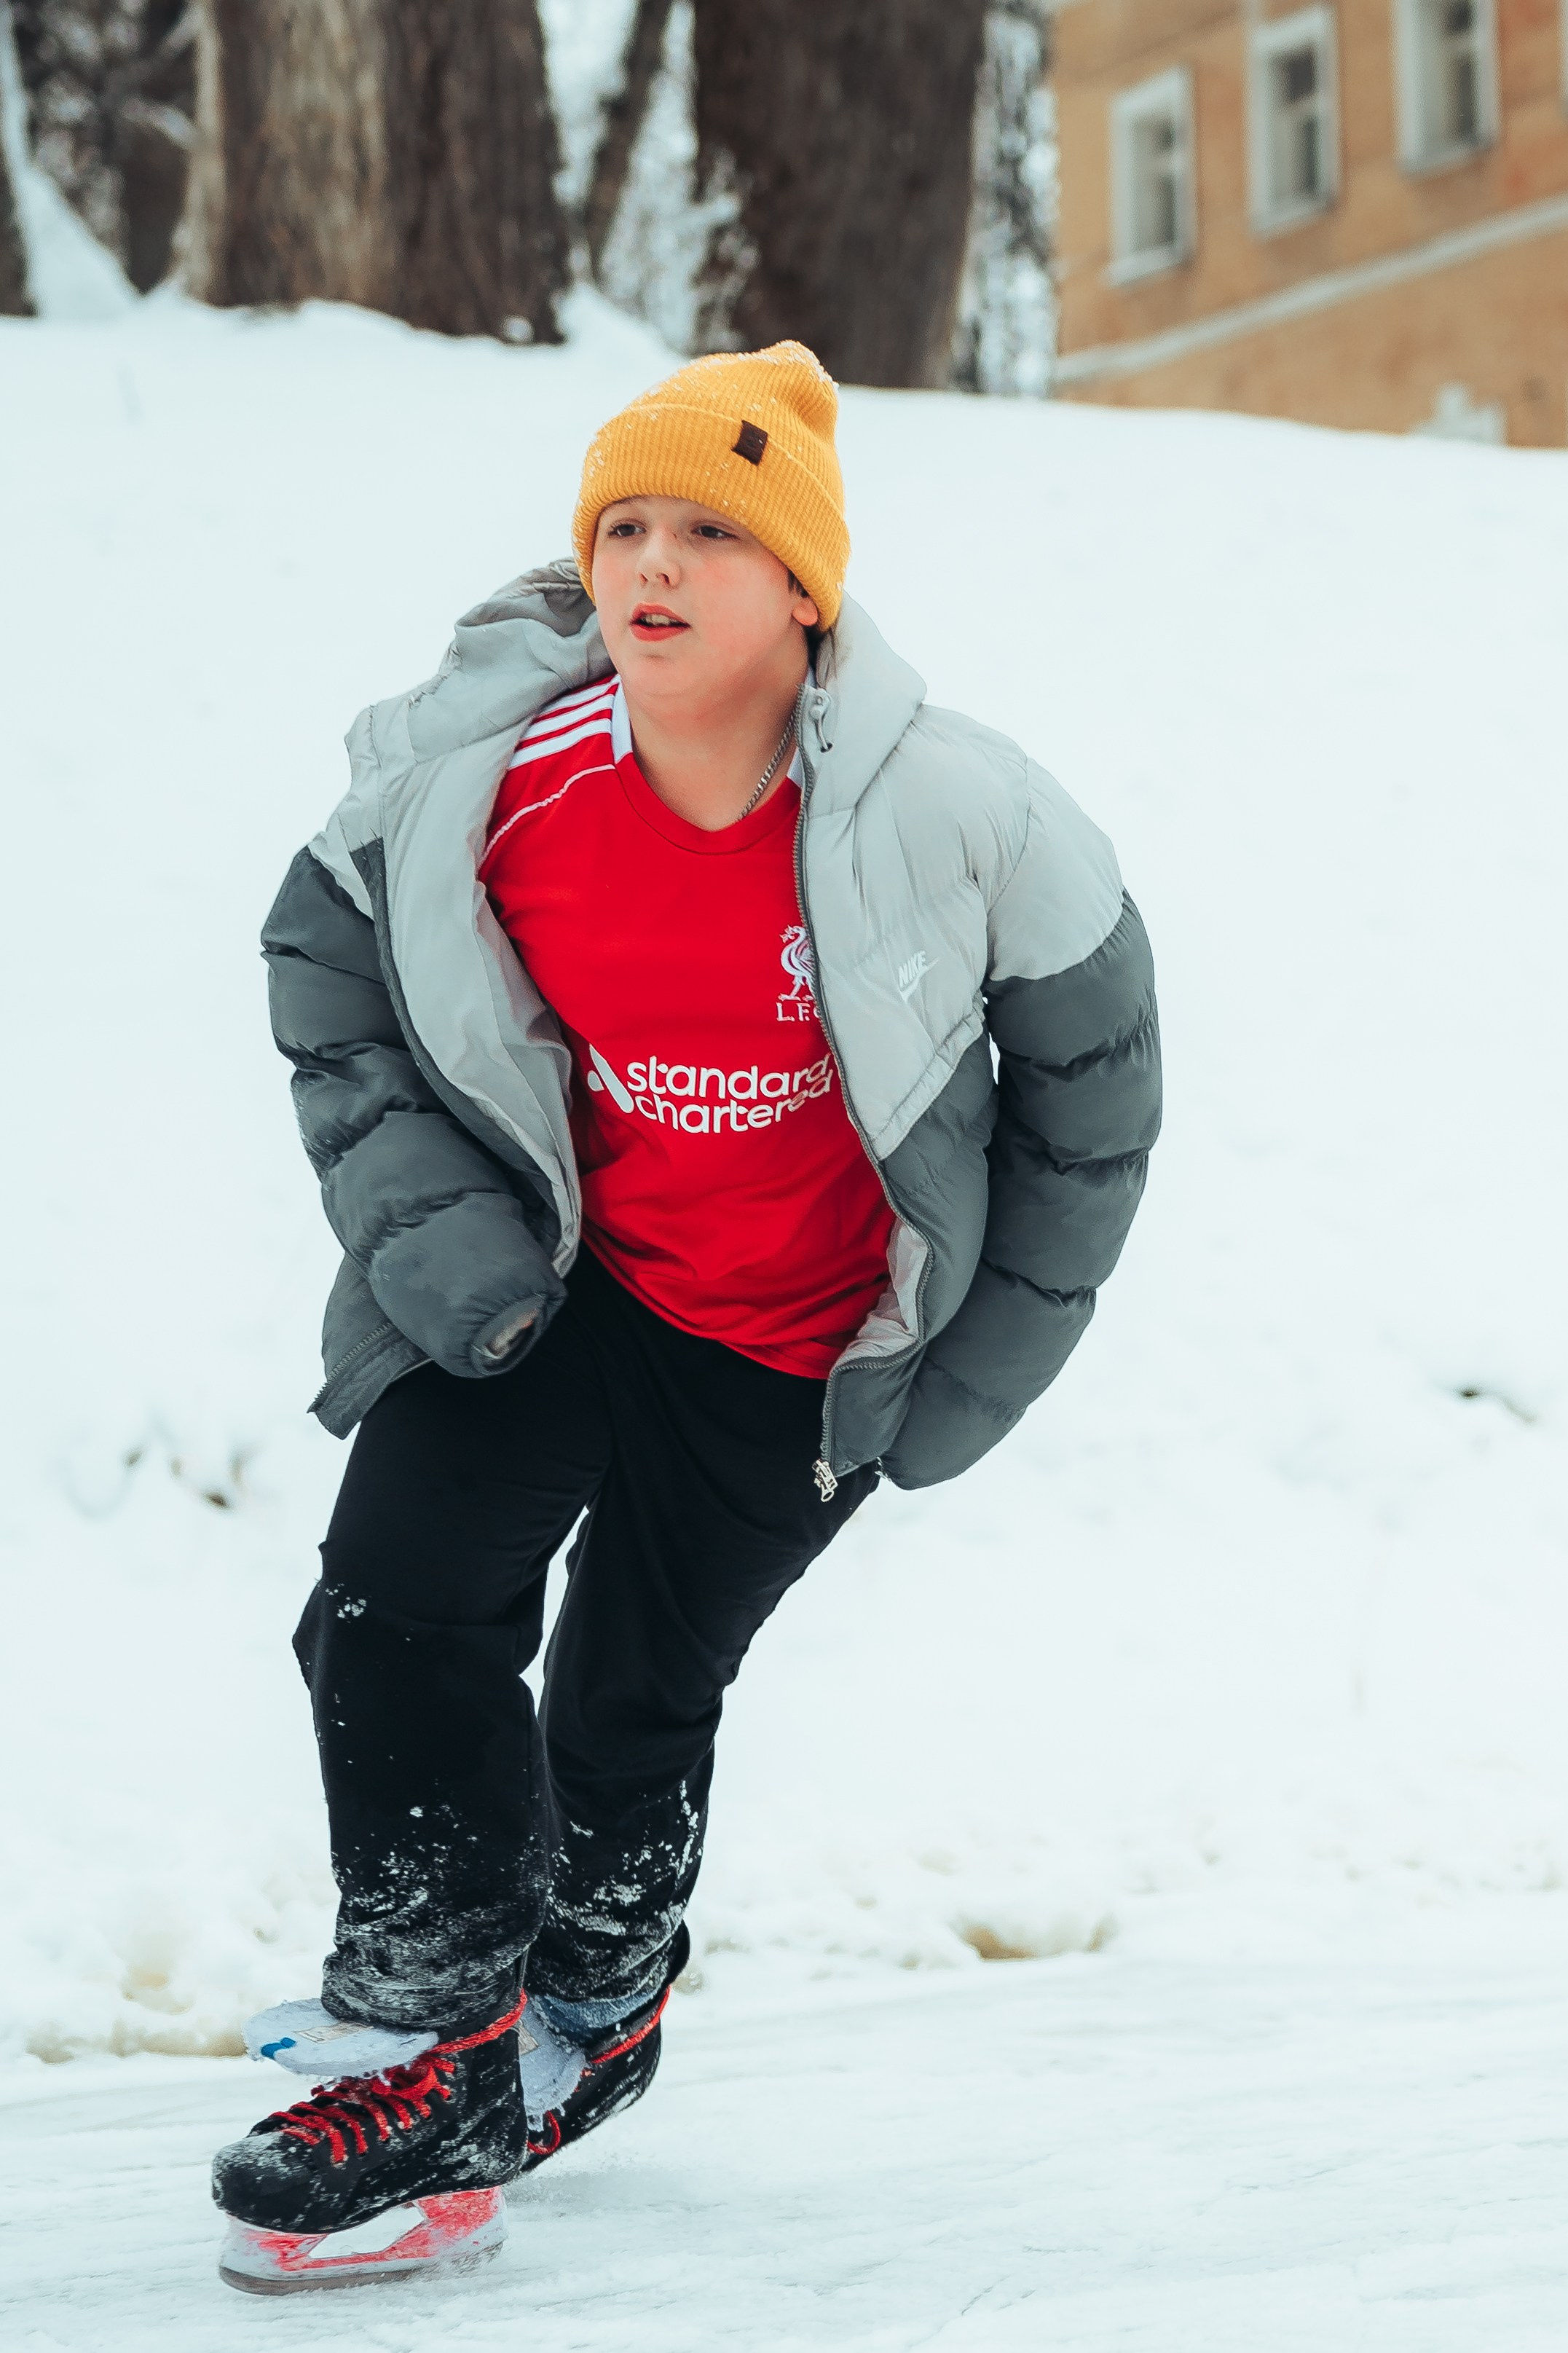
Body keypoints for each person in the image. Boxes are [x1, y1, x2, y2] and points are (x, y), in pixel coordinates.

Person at [212, 342, 1162, 2293]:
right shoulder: (505, 785)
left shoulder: (957, 810)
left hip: (794, 1347)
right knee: (395, 1598)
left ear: (802, 589)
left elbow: (1099, 1087)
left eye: (709, 532)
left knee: (630, 1695)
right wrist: (438, 1232)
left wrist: (973, 1368)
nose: (650, 563)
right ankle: (429, 2034)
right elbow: (326, 958)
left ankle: (602, 2000)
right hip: (560, 1288)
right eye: (622, 526)